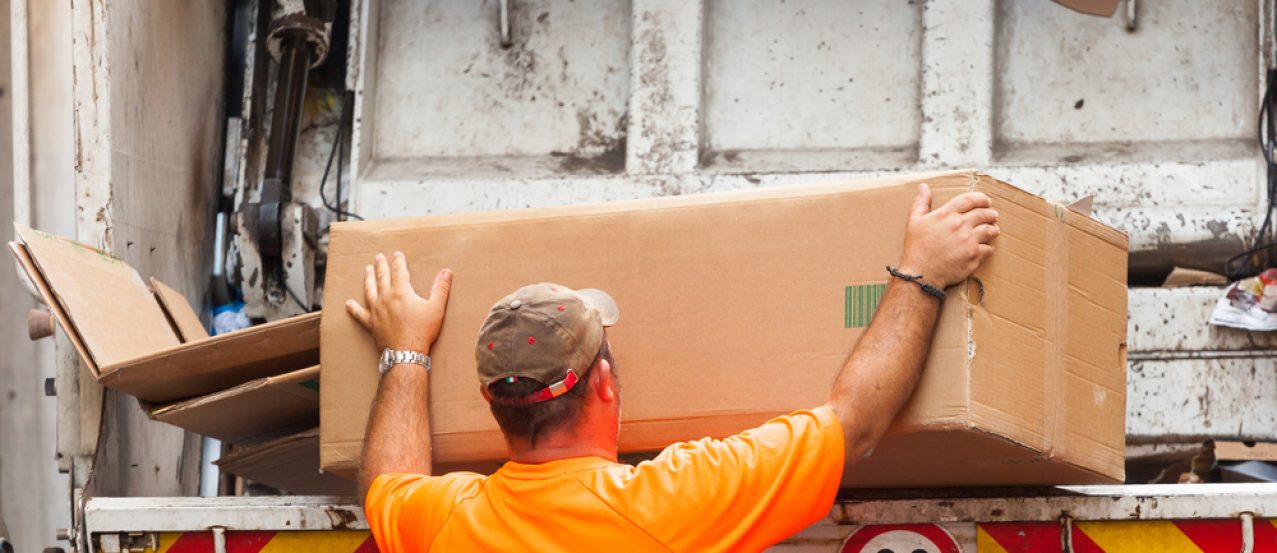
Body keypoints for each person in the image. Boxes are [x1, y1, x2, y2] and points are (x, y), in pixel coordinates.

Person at [345, 184, 999, 552]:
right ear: (604, 381)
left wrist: (404, 350)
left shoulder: (452, 520)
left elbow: (386, 488)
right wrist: (922, 271)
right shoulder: (670, 500)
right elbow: (853, 422)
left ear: (493, 403)